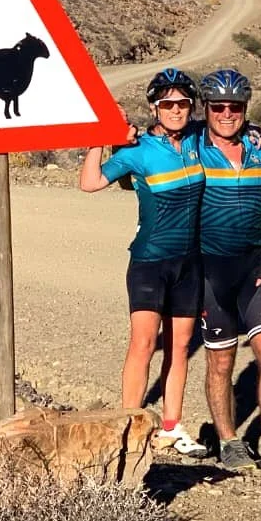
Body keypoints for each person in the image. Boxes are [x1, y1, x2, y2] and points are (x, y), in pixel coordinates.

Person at [79, 68, 206, 456]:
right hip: (150, 261)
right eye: (167, 103)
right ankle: (129, 424)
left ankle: (171, 426)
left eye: (182, 103)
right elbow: (90, 183)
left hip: (190, 262)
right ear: (154, 107)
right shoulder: (137, 152)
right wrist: (99, 141)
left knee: (180, 347)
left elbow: (230, 122)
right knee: (144, 342)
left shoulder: (199, 139)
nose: (176, 109)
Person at [194, 69, 261, 479]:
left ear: (245, 108)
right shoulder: (193, 147)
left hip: (259, 264)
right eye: (217, 106)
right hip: (210, 269)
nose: (226, 114)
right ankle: (228, 439)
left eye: (234, 107)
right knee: (221, 362)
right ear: (206, 108)